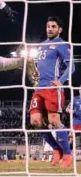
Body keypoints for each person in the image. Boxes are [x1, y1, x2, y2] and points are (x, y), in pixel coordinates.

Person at [29, 17, 75, 168]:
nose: (49, 29)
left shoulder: (62, 44)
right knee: (35, 121)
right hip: (39, 88)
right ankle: (56, 149)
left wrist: (61, 81)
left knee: (55, 121)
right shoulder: (41, 46)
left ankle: (67, 154)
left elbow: (71, 67)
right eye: (48, 26)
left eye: (53, 26)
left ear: (59, 29)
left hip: (52, 88)